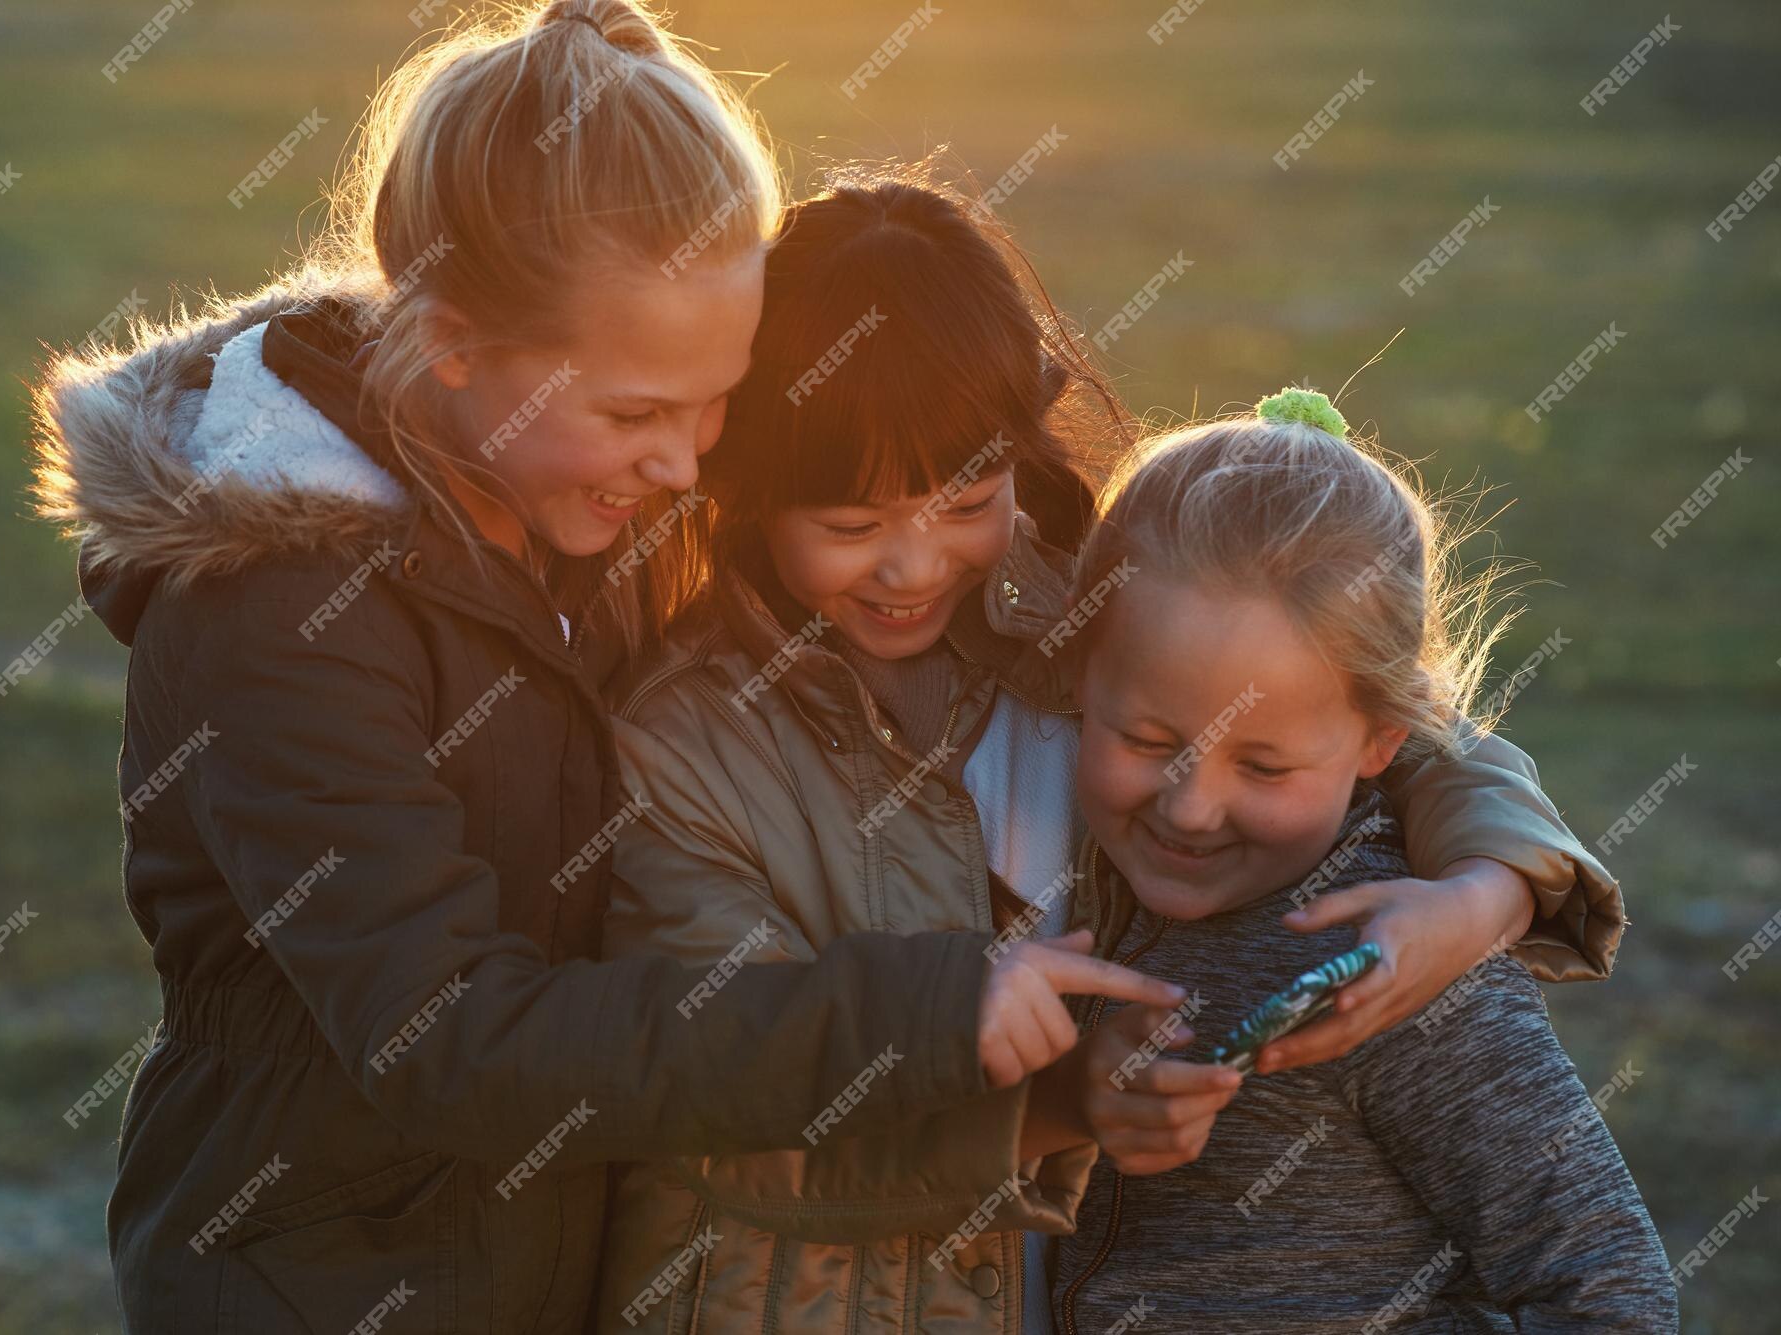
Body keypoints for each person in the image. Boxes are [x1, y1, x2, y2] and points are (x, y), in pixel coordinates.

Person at [29, 5, 1173, 1330]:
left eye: (718, 400)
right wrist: (918, 1012)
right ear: (455, 343)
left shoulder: (564, 490)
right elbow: (454, 1040)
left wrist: (1469, 847)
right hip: (325, 1277)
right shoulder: (284, 614)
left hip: (560, 1261)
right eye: (636, 413)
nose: (690, 466)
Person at [592, 177, 1625, 1333]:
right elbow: (715, 1105)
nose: (912, 566)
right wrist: (1056, 1106)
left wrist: (1486, 897)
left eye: (968, 498)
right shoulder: (686, 739)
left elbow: (1383, 718)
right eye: (848, 526)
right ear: (752, 493)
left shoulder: (1089, 604)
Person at [1051, 389, 1672, 1332]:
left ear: (1383, 739)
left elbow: (1614, 1291)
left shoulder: (1409, 971)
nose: (1188, 805)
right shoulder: (1053, 864)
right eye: (1144, 738)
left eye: (1262, 764)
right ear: (1074, 677)